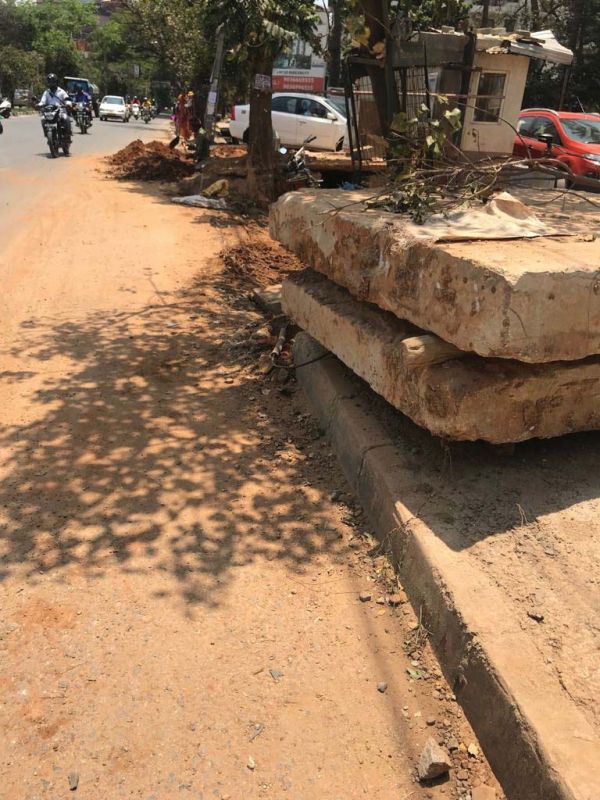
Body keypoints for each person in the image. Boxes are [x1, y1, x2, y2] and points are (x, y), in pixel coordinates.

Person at [38, 73, 72, 139]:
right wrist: (39, 105)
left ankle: (68, 134)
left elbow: (67, 99)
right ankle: (47, 133)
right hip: (50, 112)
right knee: (42, 119)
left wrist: (68, 103)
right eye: (49, 82)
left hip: (60, 111)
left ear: (56, 82)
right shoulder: (46, 92)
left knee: (66, 118)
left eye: (52, 81)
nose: (51, 83)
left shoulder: (61, 91)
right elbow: (42, 101)